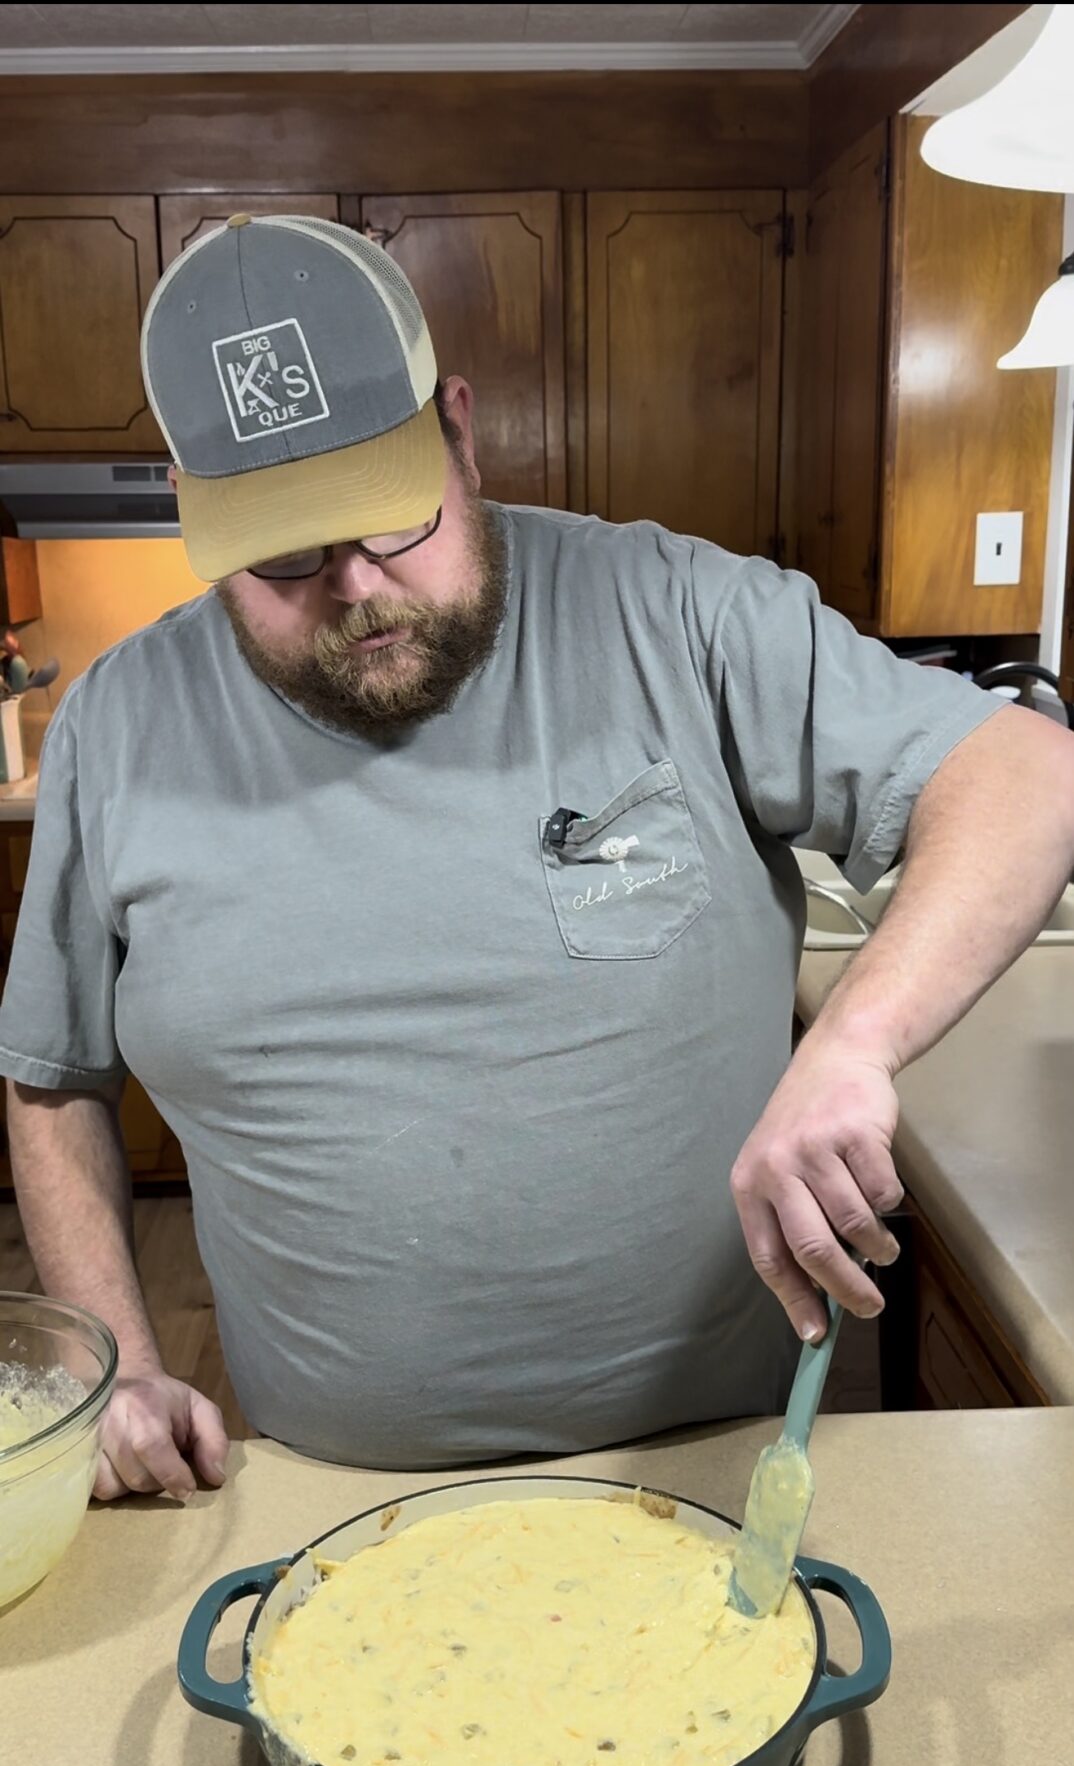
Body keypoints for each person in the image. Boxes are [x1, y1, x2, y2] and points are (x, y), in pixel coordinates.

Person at [2, 216, 1072, 1502]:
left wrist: (854, 1041)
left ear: (460, 427)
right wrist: (116, 1371)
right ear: (193, 513)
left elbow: (1027, 777)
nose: (355, 585)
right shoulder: (120, 722)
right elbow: (52, 1077)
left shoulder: (676, 612)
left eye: (392, 514)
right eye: (284, 549)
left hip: (710, 1476)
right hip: (324, 1493)